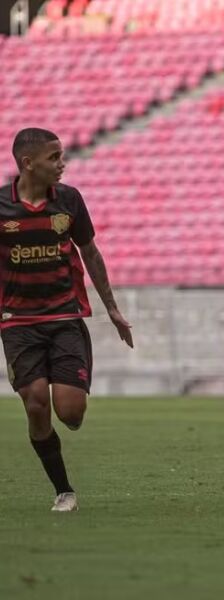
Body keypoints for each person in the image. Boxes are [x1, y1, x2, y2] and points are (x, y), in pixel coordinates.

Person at [0, 128, 133, 512]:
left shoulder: (70, 201)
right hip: (17, 321)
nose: (62, 164)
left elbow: (90, 252)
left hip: (64, 317)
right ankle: (64, 490)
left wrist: (111, 307)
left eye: (62, 156)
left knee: (70, 413)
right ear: (28, 163)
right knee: (36, 403)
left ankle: (67, 427)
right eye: (54, 157)